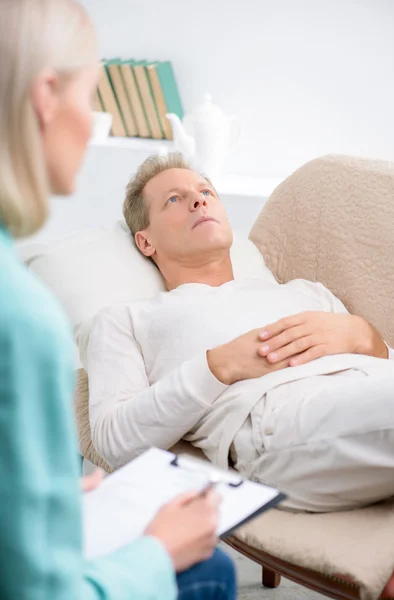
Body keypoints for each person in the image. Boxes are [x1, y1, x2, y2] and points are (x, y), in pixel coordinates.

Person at [0, 1, 237, 599]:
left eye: (205, 190)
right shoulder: (34, 318)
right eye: (92, 95)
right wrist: (158, 552)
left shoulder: (299, 292)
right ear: (46, 97)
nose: (201, 201)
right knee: (212, 569)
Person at [88, 152, 394, 514]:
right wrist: (219, 366)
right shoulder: (128, 319)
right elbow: (114, 440)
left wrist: (366, 337)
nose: (198, 199)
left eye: (206, 191)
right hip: (282, 420)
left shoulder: (307, 291)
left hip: (373, 393)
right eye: (174, 199)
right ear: (145, 242)